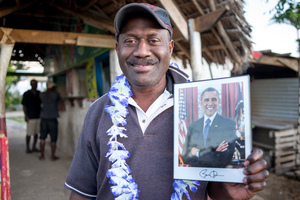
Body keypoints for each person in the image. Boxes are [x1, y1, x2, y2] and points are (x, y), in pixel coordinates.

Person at [65, 3, 268, 200]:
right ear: (118, 48)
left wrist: (232, 191)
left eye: (153, 40)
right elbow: (82, 192)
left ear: (170, 48)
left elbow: (213, 189)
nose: (142, 51)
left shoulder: (198, 107)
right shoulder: (99, 112)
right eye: (130, 41)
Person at [182, 87, 237, 168]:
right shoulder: (193, 126)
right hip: (196, 174)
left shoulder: (229, 124)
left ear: (219, 101)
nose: (210, 103)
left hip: (219, 176)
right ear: (201, 103)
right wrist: (215, 152)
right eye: (206, 100)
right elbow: (186, 157)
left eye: (214, 99)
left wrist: (197, 153)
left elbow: (225, 158)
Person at [39, 81, 62, 161]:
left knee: (42, 138)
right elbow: (60, 102)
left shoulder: (41, 95)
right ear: (52, 87)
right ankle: (52, 156)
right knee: (53, 139)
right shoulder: (56, 94)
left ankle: (42, 156)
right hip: (53, 119)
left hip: (44, 118)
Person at [21, 79, 41, 153]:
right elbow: (24, 106)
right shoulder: (26, 94)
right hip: (30, 116)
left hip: (38, 116)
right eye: (33, 84)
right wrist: (26, 115)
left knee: (36, 133)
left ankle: (34, 147)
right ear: (31, 85)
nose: (34, 85)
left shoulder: (39, 93)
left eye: (35, 84)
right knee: (29, 133)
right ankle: (27, 147)